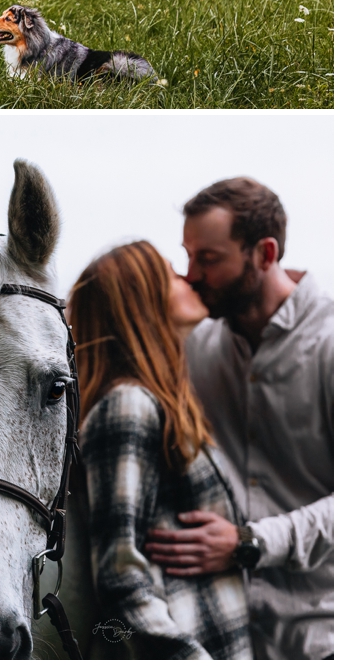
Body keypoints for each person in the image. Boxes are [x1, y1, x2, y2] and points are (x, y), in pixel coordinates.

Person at [144, 179, 333, 660]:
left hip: (316, 634)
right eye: (187, 256)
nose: (190, 274)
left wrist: (250, 543)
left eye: (208, 259)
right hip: (212, 631)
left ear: (264, 254)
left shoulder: (330, 346)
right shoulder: (194, 347)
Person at [67, 240, 252, 659]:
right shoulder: (126, 406)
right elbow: (121, 583)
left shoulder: (162, 402)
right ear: (142, 300)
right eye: (170, 273)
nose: (188, 279)